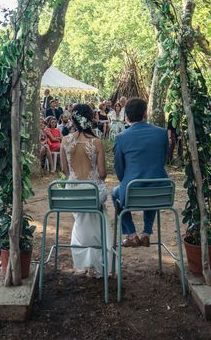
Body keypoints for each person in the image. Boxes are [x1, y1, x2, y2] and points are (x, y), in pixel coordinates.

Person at [60, 104, 113, 276]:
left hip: (73, 192)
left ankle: (83, 262)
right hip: (93, 191)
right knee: (98, 214)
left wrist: (76, 181)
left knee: (82, 220)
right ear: (90, 119)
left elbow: (65, 170)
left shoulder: (65, 141)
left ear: (73, 119)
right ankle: (98, 262)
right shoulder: (96, 141)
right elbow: (103, 174)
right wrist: (93, 178)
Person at [113, 98, 168, 247]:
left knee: (115, 193)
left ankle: (131, 234)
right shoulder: (162, 133)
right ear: (145, 114)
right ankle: (146, 233)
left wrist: (125, 181)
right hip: (161, 192)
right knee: (152, 188)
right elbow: (163, 160)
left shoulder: (120, 138)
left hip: (132, 191)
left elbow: (119, 168)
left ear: (127, 117)